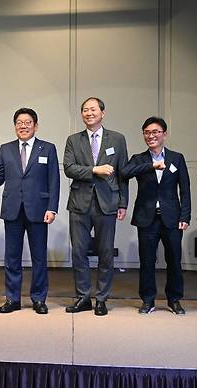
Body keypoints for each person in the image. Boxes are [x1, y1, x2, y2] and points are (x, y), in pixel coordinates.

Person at [0, 108, 60, 314]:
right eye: (19, 123)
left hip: (39, 210)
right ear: (15, 126)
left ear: (36, 125)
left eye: (27, 122)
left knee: (39, 257)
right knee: (12, 257)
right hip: (12, 209)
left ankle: (39, 299)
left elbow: (54, 181)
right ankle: (12, 299)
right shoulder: (6, 149)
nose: (23, 126)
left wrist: (52, 208)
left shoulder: (47, 148)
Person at [63, 97, 129, 316]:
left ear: (103, 112)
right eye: (84, 110)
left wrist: (123, 202)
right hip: (79, 203)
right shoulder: (73, 140)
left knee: (106, 253)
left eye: (93, 109)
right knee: (79, 252)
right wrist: (94, 170)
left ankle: (101, 298)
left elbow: (122, 173)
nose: (88, 113)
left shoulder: (117, 139)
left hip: (107, 202)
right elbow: (69, 169)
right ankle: (83, 297)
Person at [122, 117, 190, 315]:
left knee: (174, 260)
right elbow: (125, 173)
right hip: (147, 218)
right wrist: (151, 166)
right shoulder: (139, 158)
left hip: (172, 218)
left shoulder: (177, 158)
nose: (151, 136)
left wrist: (184, 216)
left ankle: (174, 299)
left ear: (164, 134)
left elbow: (185, 189)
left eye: (156, 132)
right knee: (147, 261)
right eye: (147, 132)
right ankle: (148, 300)